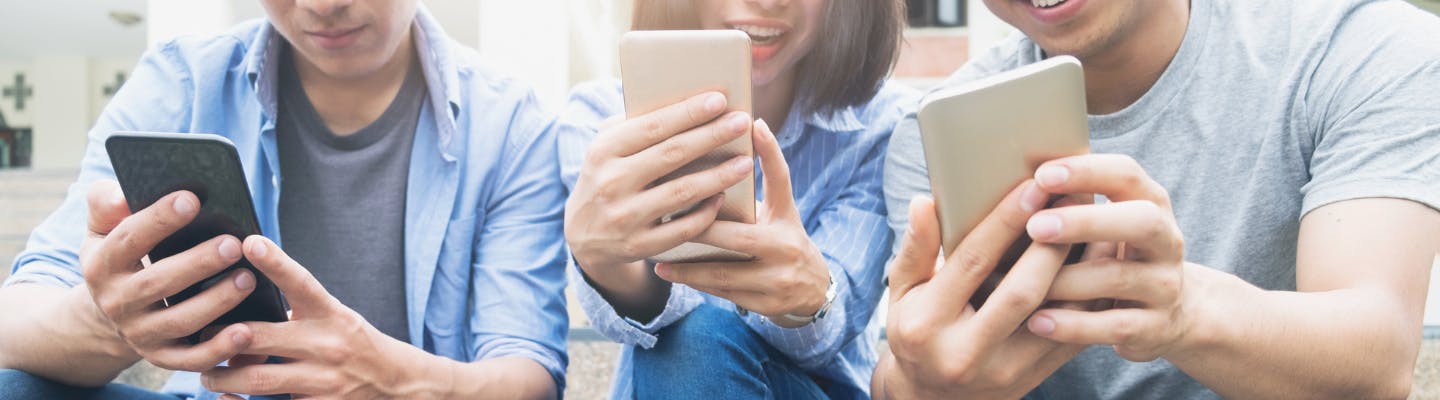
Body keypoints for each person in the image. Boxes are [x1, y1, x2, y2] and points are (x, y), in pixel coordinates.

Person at [0, 1, 569, 398]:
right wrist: (105, 321)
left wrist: (398, 384)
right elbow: (18, 316)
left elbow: (528, 374)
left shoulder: (509, 124)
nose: (321, 5)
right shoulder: (183, 81)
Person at [877, 0, 1440, 398]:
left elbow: (1378, 361)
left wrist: (1184, 311)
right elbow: (901, 374)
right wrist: (918, 381)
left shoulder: (1361, 50)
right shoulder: (936, 132)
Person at [557, 0, 912, 398]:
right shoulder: (603, 120)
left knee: (696, 345)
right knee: (690, 344)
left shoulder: (886, 127)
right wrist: (604, 264)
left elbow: (831, 327)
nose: (767, 2)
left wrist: (810, 295)